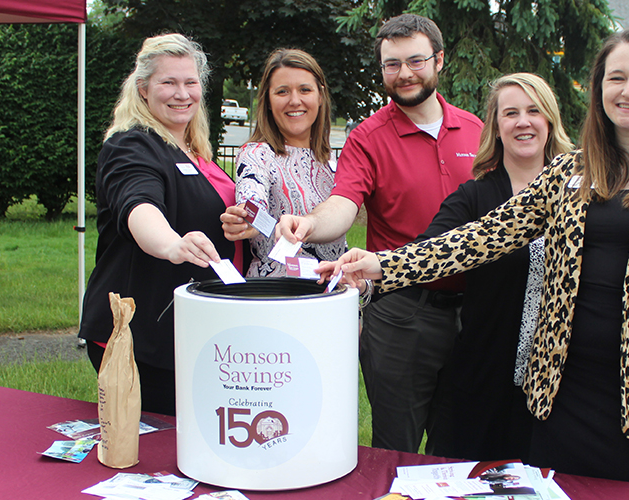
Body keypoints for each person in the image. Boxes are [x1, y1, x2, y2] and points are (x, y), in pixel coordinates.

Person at [319, 28, 629, 486]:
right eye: (616, 78)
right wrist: (381, 265)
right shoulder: (570, 172)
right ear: (599, 89)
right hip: (560, 393)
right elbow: (481, 237)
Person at [279, 13, 484, 453]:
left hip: (478, 312)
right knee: (397, 450)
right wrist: (312, 225)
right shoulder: (368, 138)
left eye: (415, 60)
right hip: (403, 316)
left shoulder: (476, 130)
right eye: (392, 64)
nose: (404, 73)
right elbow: (344, 203)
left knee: (463, 445)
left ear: (439, 60)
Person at [79, 33, 240, 416]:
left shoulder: (194, 149)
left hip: (193, 329)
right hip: (143, 338)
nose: (181, 93)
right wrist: (171, 244)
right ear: (143, 89)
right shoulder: (131, 145)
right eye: (168, 82)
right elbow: (138, 205)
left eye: (190, 82)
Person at [423, 73, 572, 462]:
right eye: (511, 113)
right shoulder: (475, 196)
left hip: (558, 383)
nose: (523, 121)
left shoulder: (582, 193)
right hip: (482, 374)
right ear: (496, 126)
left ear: (550, 120)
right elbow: (427, 252)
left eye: (533, 110)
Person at [219, 49, 345, 276]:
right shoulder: (257, 154)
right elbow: (251, 198)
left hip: (330, 297)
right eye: (282, 92)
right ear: (267, 100)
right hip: (277, 297)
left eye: (305, 90)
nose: (294, 101)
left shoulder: (332, 162)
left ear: (320, 95)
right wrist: (247, 218)